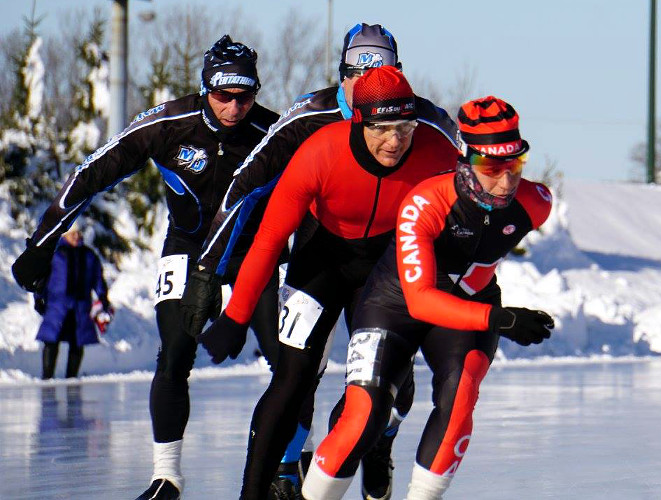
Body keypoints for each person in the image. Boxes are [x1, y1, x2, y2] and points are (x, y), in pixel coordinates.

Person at [180, 23, 457, 500]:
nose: (393, 142)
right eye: (381, 129)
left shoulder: (431, 137)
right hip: (322, 252)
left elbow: (467, 211)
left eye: (403, 130)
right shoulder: (316, 142)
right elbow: (266, 232)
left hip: (388, 262)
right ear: (352, 110)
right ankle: (265, 484)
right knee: (292, 379)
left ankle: (377, 439)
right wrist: (230, 306)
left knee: (389, 382)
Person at [10, 35, 280, 500]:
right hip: (188, 248)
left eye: (245, 96)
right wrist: (41, 245)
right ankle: (166, 477)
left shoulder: (273, 132)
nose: (235, 107)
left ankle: (289, 467)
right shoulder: (169, 124)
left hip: (254, 253)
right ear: (204, 89)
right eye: (223, 96)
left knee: (287, 360)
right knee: (175, 353)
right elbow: (91, 172)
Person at [300, 96, 556, 500]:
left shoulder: (535, 203)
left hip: (467, 305)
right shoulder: (424, 203)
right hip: (396, 302)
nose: (506, 181)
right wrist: (501, 320)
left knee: (461, 396)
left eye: (514, 165)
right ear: (466, 159)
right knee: (364, 416)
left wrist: (491, 314)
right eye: (491, 167)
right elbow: (420, 301)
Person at [33, 223, 110, 379]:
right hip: (57, 305)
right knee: (51, 340)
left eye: (78, 233)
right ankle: (47, 376)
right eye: (72, 233)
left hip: (80, 306)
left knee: (77, 341)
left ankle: (72, 377)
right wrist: (38, 298)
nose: (76, 236)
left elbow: (97, 279)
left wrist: (103, 297)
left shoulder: (89, 256)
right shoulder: (55, 254)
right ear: (64, 235)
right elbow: (41, 279)